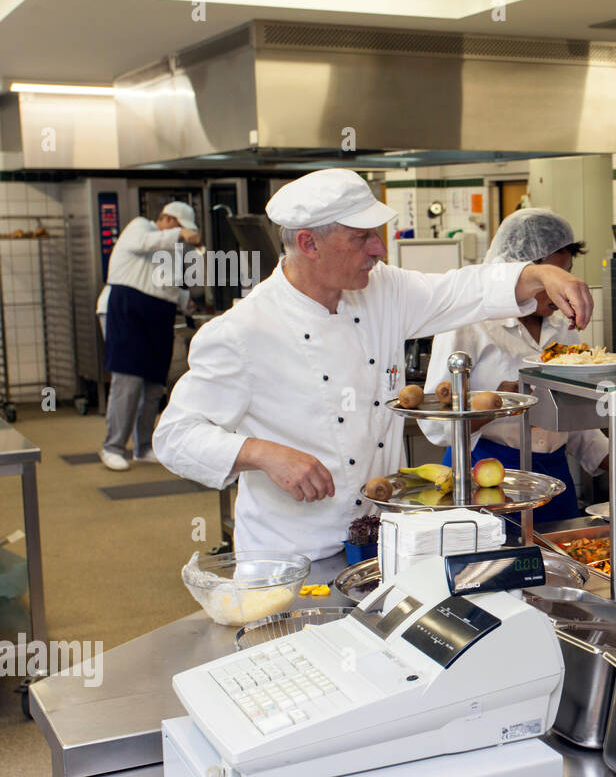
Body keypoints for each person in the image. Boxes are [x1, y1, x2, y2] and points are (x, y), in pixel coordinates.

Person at [154, 169, 592, 561]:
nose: (379, 249)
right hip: (291, 552)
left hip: (384, 537)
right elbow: (174, 437)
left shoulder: (380, 291)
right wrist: (262, 453)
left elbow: (458, 290)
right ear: (309, 243)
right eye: (361, 237)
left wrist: (538, 276)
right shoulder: (243, 331)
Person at [419, 209, 616, 522]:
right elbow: (435, 426)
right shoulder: (470, 323)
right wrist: (501, 403)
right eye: (552, 280)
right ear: (519, 273)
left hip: (553, 479)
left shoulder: (562, 325)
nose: (558, 293)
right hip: (486, 477)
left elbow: (576, 422)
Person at [98, 201, 201, 471]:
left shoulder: (172, 248)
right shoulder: (139, 227)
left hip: (159, 316)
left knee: (154, 385)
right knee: (128, 381)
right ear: (167, 220)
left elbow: (167, 282)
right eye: (180, 228)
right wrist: (178, 235)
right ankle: (113, 447)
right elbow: (143, 243)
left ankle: (143, 446)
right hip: (128, 310)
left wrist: (185, 301)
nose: (183, 235)